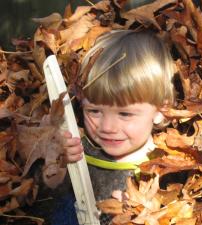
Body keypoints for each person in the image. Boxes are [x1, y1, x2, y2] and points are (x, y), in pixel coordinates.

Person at [52, 29, 175, 225]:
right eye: (94, 111)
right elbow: (47, 195)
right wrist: (59, 165)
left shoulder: (167, 169)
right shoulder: (79, 148)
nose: (107, 127)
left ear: (161, 110)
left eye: (125, 114)